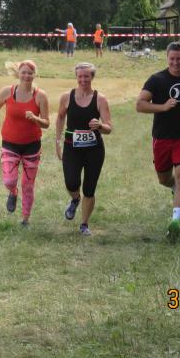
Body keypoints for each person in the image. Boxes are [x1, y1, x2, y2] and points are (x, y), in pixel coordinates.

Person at [136, 41, 180, 240]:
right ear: (167, 58)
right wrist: (163, 107)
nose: (175, 63)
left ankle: (175, 222)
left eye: (179, 58)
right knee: (164, 179)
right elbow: (140, 105)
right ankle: (174, 187)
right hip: (162, 137)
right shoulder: (156, 80)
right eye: (172, 59)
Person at [0, 60, 50, 226]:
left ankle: (25, 218)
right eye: (24, 72)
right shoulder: (7, 92)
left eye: (30, 73)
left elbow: (46, 123)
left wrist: (35, 118)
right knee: (9, 181)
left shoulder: (40, 96)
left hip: (32, 145)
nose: (26, 76)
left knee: (28, 185)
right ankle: (13, 192)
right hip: (10, 143)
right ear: (19, 73)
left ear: (34, 75)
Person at [55, 62, 113, 236]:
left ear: (92, 77)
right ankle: (75, 199)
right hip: (71, 148)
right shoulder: (67, 97)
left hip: (94, 150)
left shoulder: (100, 99)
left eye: (86, 76)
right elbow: (60, 117)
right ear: (76, 77)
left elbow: (109, 128)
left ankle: (84, 224)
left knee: (89, 188)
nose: (83, 79)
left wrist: (100, 126)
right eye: (80, 76)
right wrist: (57, 140)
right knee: (71, 182)